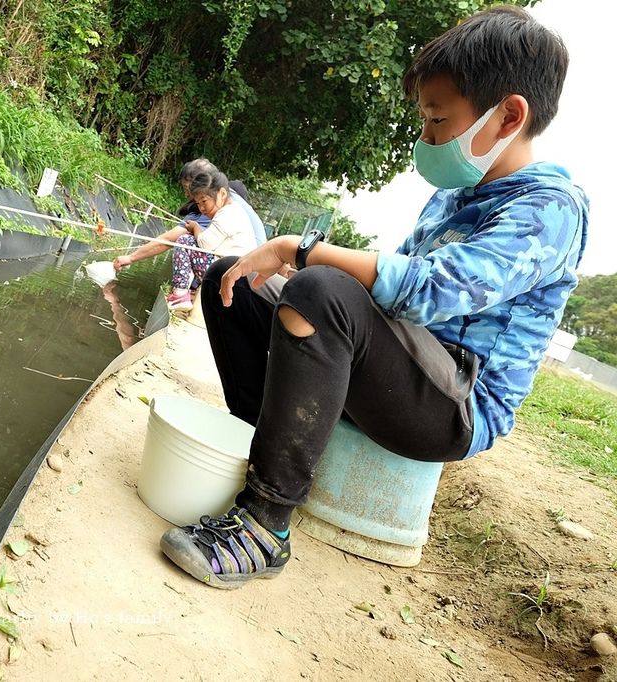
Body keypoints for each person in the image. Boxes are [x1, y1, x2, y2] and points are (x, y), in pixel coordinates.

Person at [159, 6, 589, 589]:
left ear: (509, 116)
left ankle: (266, 522)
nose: (426, 138)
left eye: (438, 120)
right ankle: (255, 453)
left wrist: (300, 250)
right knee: (232, 280)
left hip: (456, 401)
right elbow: (383, 296)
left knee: (316, 289)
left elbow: (429, 289)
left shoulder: (550, 208)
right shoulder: (451, 198)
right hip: (399, 363)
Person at [114, 162, 256, 310]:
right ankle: (188, 292)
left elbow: (176, 241)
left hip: (232, 275)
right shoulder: (231, 204)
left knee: (185, 242)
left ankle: (180, 294)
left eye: (187, 188)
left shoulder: (224, 212)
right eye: (198, 202)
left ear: (220, 193)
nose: (200, 206)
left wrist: (130, 258)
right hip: (240, 274)